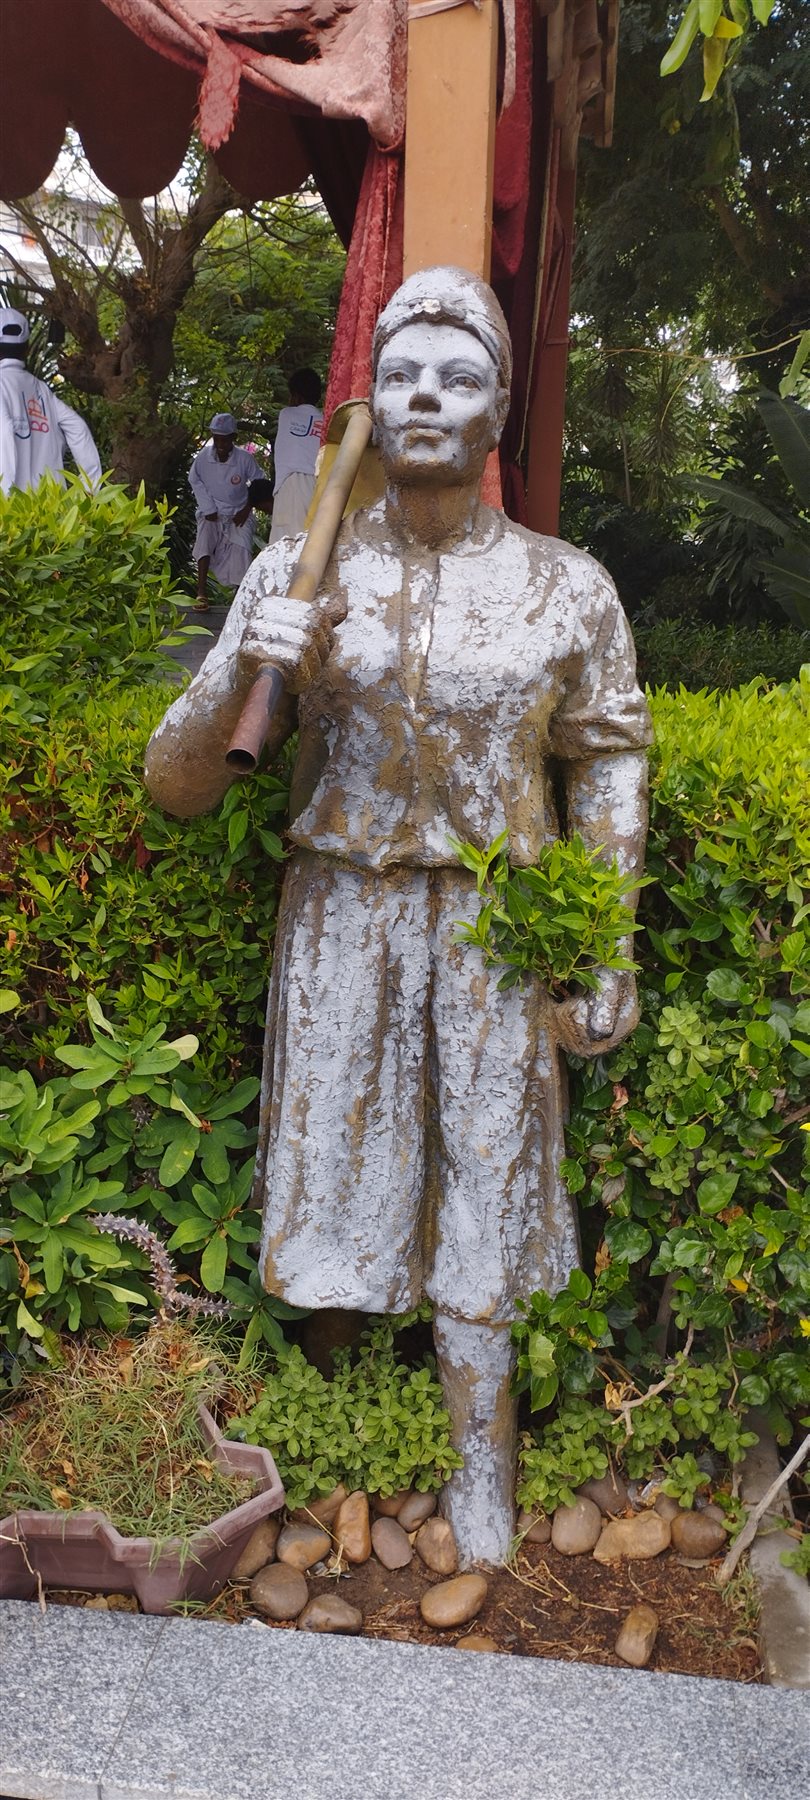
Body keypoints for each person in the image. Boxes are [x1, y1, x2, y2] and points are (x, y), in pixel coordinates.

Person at [145, 268, 652, 1564]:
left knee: (488, 1178)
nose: (428, 395)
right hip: (341, 918)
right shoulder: (301, 570)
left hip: (495, 926)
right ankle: (331, 1443)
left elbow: (605, 754)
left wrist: (605, 935)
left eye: (460, 375)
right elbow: (178, 785)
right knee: (336, 1172)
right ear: (371, 399)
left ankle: (484, 1460)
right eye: (404, 373)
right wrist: (246, 657)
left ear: (496, 414)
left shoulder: (563, 586)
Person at [0, 307, 102, 497]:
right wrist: (90, 490)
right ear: (27, 349)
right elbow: (78, 428)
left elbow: (4, 432)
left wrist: (5, 497)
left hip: (11, 509)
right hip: (51, 507)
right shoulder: (41, 390)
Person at [188, 413, 263, 609]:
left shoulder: (245, 459)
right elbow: (194, 480)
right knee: (204, 538)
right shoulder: (203, 458)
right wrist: (208, 508)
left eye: (225, 439)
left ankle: (240, 598)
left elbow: (259, 483)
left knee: (242, 547)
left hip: (239, 511)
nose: (220, 444)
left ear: (233, 438)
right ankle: (201, 593)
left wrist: (247, 508)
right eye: (217, 439)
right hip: (212, 510)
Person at [268, 368, 323, 543]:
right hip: (319, 485)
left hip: (292, 485)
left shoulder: (286, 414)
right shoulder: (325, 421)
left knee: (287, 544)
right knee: (312, 541)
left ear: (295, 396)